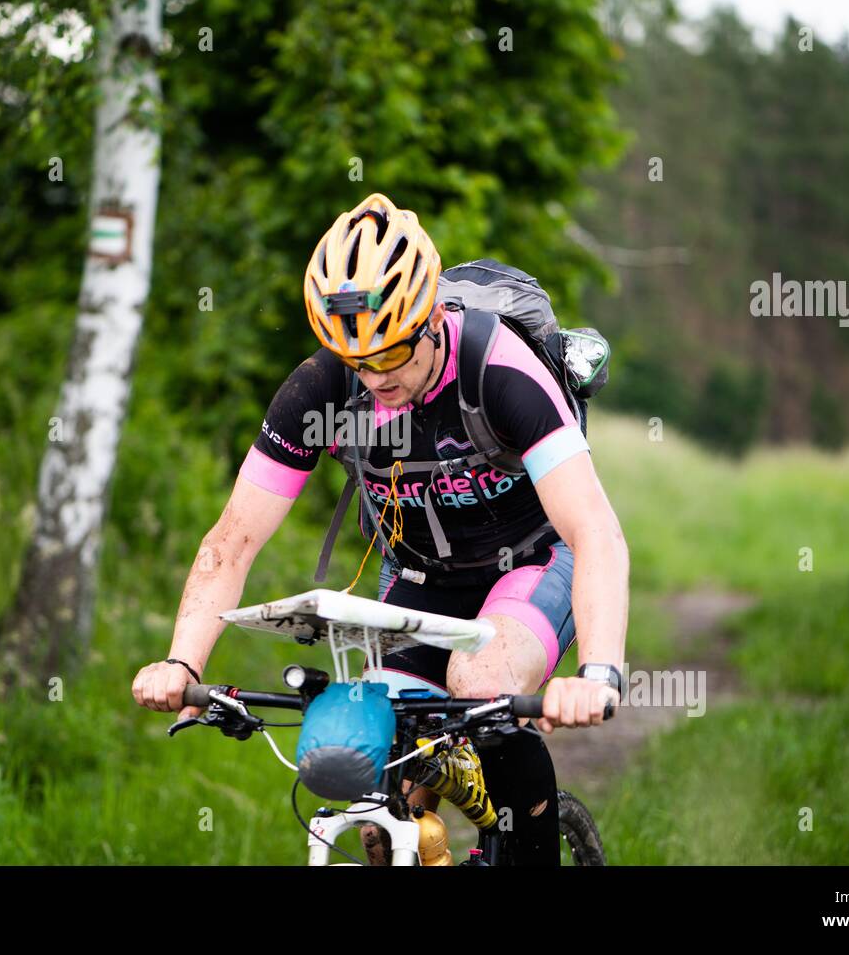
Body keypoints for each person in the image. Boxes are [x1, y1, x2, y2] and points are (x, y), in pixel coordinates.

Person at [133, 192, 629, 865]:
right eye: (357, 360)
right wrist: (182, 663)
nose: (376, 377)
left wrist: (598, 673)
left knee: (481, 685)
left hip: (535, 562)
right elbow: (232, 540)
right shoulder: (324, 386)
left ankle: (531, 849)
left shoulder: (501, 369)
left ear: (429, 320)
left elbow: (596, 530)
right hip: (423, 578)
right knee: (367, 773)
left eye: (392, 353)